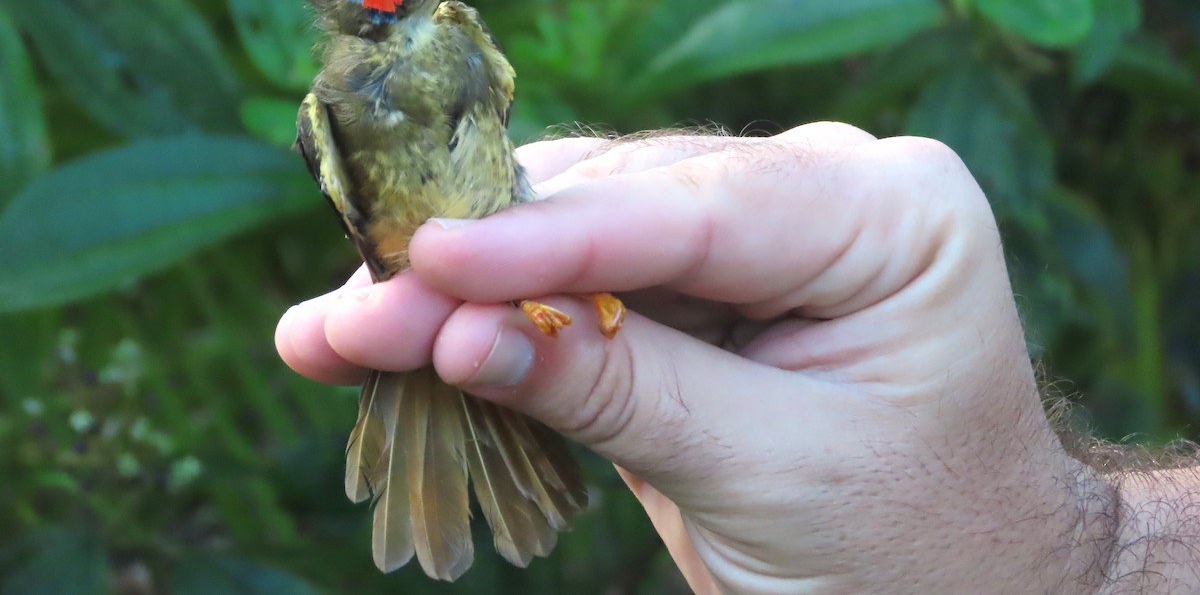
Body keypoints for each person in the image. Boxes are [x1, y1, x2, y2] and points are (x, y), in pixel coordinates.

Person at [275, 123, 1200, 593]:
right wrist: (1090, 564)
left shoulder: (473, 58)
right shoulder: (341, 107)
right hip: (451, 316)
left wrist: (1081, 564)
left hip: (509, 299)